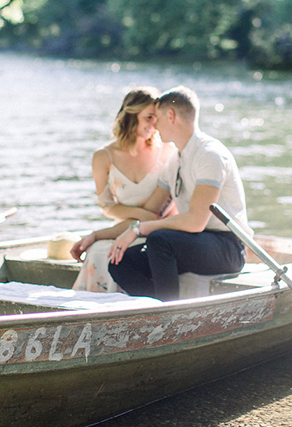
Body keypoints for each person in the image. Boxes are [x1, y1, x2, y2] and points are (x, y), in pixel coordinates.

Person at [107, 85, 247, 301]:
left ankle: (168, 312)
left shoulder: (210, 155)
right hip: (193, 242)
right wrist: (99, 236)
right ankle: (155, 307)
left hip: (227, 247)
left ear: (170, 116)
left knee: (160, 240)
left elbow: (195, 222)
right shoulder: (174, 161)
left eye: (157, 119)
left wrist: (138, 230)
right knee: (121, 261)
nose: (154, 126)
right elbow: (149, 212)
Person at [71, 86, 176, 292]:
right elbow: (107, 206)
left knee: (119, 252)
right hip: (124, 227)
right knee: (100, 251)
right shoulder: (104, 156)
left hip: (159, 229)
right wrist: (141, 214)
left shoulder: (167, 151)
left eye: (157, 118)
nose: (154, 123)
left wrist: (146, 219)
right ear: (131, 115)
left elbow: (161, 212)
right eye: (149, 117)